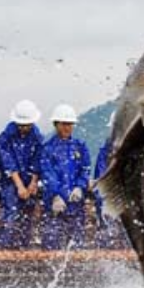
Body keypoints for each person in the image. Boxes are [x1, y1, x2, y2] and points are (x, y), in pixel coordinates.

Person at [40, 105, 91, 250]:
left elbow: (85, 168)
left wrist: (80, 187)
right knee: (51, 243)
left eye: (69, 124)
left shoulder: (79, 146)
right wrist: (55, 195)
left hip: (76, 204)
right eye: (63, 124)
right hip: (54, 205)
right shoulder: (48, 149)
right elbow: (47, 174)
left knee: (76, 245)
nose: (67, 128)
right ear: (56, 124)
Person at [0, 100, 43, 249]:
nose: (24, 128)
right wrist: (19, 186)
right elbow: (7, 162)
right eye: (21, 125)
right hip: (10, 181)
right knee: (10, 213)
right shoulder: (6, 137)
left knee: (28, 215)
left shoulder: (37, 135)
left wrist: (33, 182)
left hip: (29, 179)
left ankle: (24, 249)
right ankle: (5, 249)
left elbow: (38, 159)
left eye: (27, 125)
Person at [93, 112, 125, 248]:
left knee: (129, 242)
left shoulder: (133, 151)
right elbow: (101, 181)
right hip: (108, 205)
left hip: (126, 206)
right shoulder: (104, 153)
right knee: (107, 239)